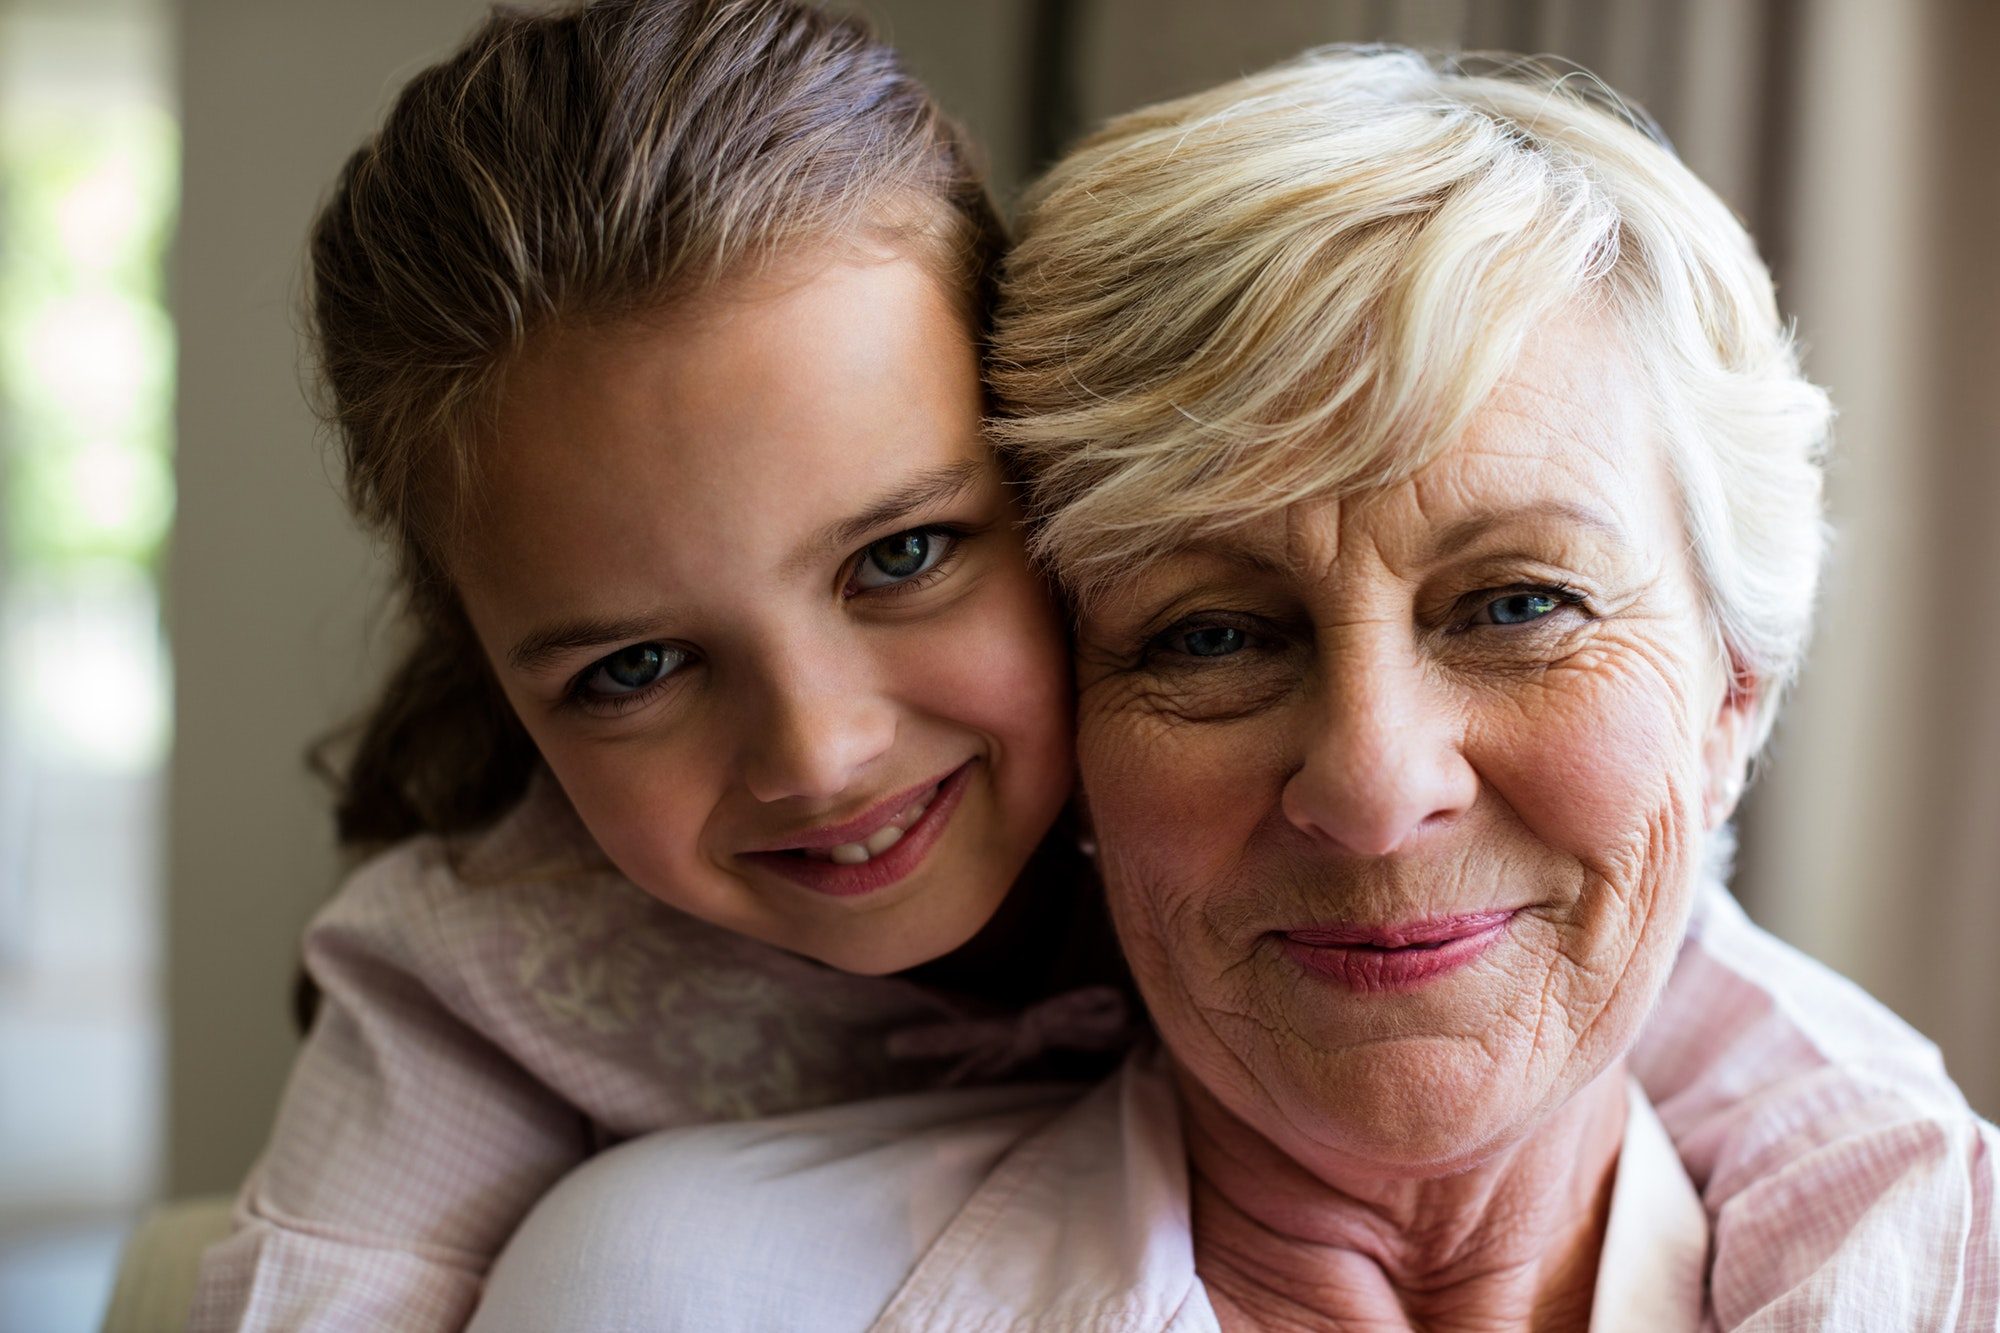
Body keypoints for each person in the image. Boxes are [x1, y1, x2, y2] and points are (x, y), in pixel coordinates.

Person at [465, 47, 2000, 1330]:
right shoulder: (692, 1290)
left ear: (1734, 690)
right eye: (1213, 636)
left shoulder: (1924, 1251)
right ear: (1073, 723)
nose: (1375, 783)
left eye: (1519, 604)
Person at [186, 2, 1139, 1327]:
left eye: (904, 554)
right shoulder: (483, 983)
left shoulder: (1268, 808)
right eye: (635, 668)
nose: (820, 751)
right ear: (490, 668)